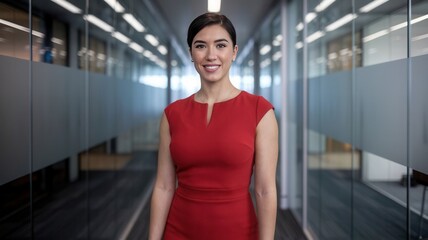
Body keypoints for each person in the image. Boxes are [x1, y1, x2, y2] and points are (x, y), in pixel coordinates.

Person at [149, 12, 278, 240]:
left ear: (234, 52)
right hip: (178, 230)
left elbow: (265, 190)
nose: (211, 55)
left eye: (220, 45)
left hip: (238, 231)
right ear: (191, 53)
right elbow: (163, 186)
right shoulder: (172, 114)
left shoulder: (260, 110)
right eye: (200, 46)